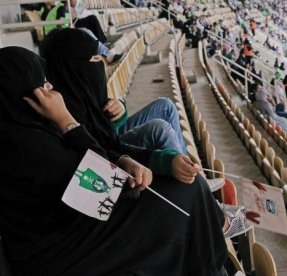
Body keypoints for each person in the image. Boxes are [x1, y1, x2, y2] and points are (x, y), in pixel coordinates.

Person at [0, 46, 229, 275]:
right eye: (41, 82)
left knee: (186, 190)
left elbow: (90, 159)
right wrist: (66, 119)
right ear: (23, 93)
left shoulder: (19, 131)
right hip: (59, 254)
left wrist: (123, 160)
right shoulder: (27, 148)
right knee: (183, 197)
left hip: (68, 233)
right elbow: (107, 186)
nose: (50, 87)